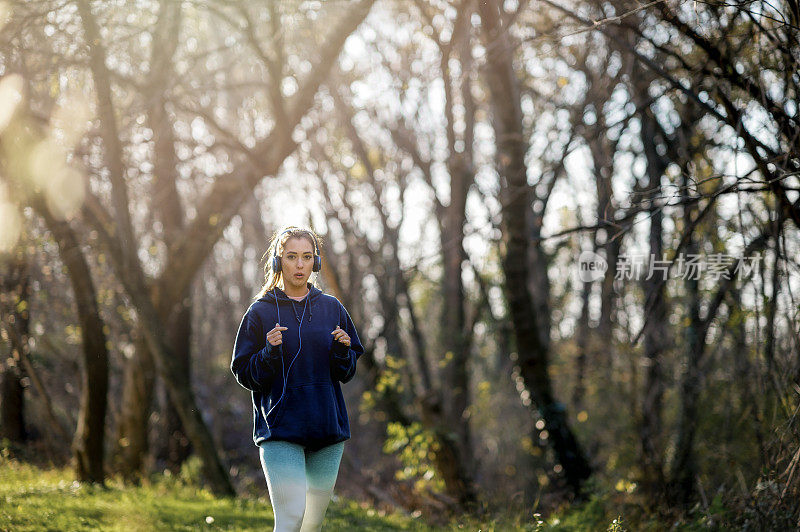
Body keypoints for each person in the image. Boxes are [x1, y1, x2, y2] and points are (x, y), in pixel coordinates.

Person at [231, 226, 364, 532]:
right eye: (292, 257)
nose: (300, 265)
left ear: (316, 262)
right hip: (281, 430)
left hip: (327, 430)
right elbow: (245, 374)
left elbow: (346, 373)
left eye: (307, 257)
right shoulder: (260, 312)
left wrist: (343, 350)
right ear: (279, 262)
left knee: (312, 524)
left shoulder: (332, 308)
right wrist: (268, 351)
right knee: (291, 518)